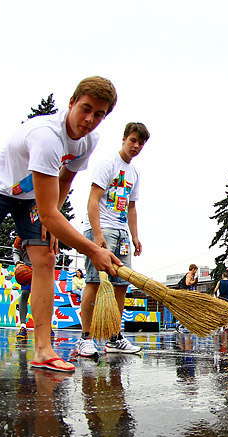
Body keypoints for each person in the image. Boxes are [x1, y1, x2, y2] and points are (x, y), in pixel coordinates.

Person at [0, 76, 120, 373]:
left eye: (99, 115)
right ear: (71, 103)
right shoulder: (46, 136)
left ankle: (42, 349)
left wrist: (49, 219)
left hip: (33, 197)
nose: (90, 119)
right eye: (85, 109)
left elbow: (64, 180)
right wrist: (91, 249)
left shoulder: (89, 140)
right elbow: (50, 213)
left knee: (46, 258)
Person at [75, 122, 149, 357]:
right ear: (124, 139)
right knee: (95, 281)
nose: (136, 146)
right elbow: (92, 200)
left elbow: (131, 208)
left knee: (121, 285)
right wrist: (96, 234)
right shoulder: (108, 164)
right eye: (133, 140)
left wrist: (135, 235)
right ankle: (85, 338)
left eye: (141, 143)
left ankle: (114, 338)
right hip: (101, 228)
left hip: (121, 232)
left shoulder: (134, 172)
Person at [13, 236, 32, 339]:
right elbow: (16, 251)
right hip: (27, 268)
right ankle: (23, 326)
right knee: (24, 294)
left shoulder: (48, 232)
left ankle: (46, 327)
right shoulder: (22, 235)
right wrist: (17, 262)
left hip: (42, 269)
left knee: (41, 299)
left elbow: (54, 253)